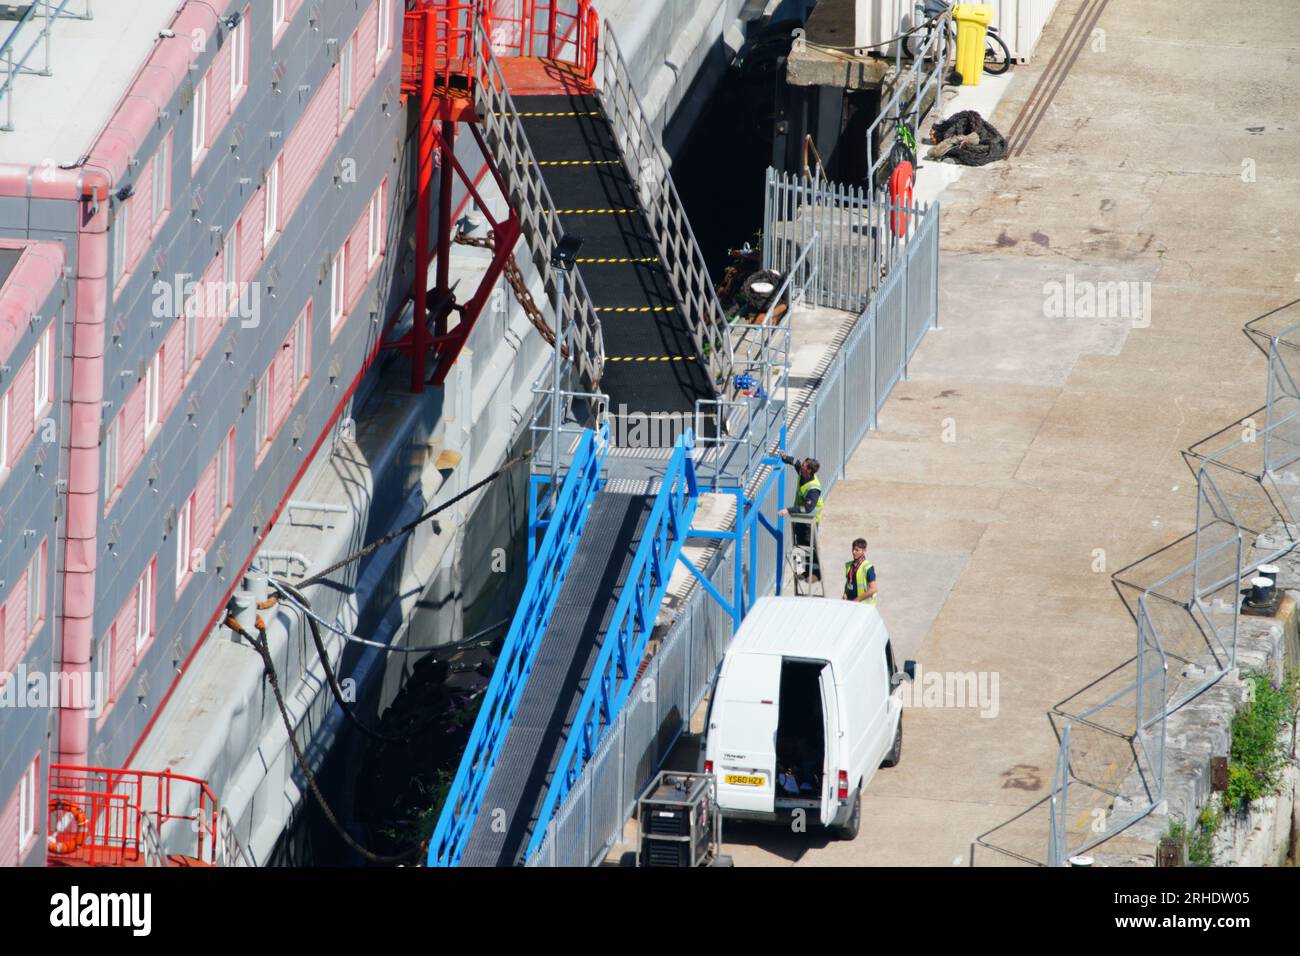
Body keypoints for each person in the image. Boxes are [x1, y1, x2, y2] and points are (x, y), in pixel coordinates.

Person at [778, 455, 823, 580]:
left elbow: (808, 509)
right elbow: (795, 462)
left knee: (810, 545)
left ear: (809, 471)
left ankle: (816, 574)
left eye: (804, 465)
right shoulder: (802, 472)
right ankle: (800, 571)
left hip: (811, 519)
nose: (801, 465)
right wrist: (784, 457)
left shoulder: (814, 488)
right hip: (799, 517)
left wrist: (788, 510)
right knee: (798, 544)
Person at [844, 538, 877, 604]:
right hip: (851, 603)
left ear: (864, 550)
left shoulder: (867, 567)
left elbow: (873, 589)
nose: (853, 552)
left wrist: (857, 600)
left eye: (857, 550)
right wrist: (845, 594)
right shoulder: (849, 565)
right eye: (853, 549)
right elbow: (849, 583)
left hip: (863, 605)